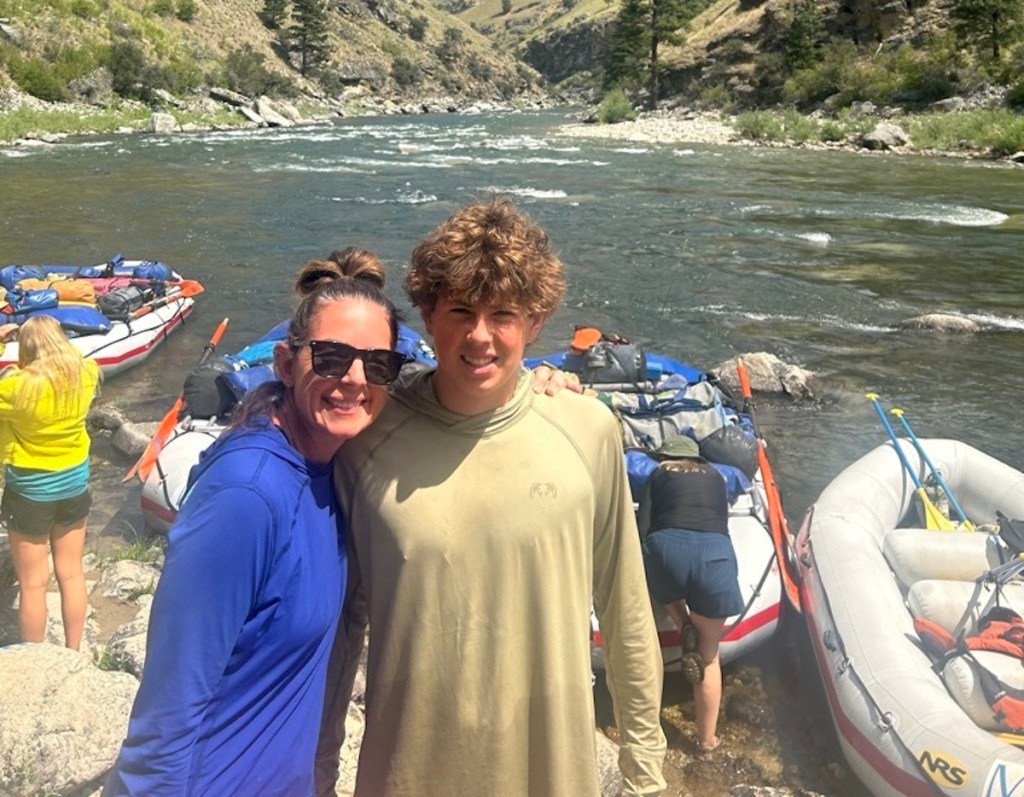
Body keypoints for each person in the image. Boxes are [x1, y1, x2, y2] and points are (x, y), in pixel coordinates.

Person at [317, 196, 667, 796]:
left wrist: (645, 770)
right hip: (407, 772)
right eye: (460, 310)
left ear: (536, 322)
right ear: (428, 314)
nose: (481, 337)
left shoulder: (588, 431)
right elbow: (340, 627)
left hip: (552, 775)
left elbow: (625, 608)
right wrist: (320, 768)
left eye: (503, 314)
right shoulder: (367, 443)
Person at [104, 260, 408, 795]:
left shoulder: (327, 464)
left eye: (378, 364)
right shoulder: (248, 495)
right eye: (333, 357)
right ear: (286, 365)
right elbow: (167, 715)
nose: (355, 380)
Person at [636, 434, 744, 759]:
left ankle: (681, 621)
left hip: (668, 550)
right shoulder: (717, 478)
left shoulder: (658, 474)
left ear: (664, 457)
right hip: (714, 554)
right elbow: (719, 524)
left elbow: (646, 528)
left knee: (657, 572)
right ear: (698, 460)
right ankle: (706, 744)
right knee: (710, 659)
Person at [0, 315, 101, 651]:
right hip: (74, 481)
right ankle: (73, 652)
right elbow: (72, 360)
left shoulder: (14, 388)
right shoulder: (86, 374)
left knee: (32, 584)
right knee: (71, 574)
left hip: (30, 490)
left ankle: (36, 661)